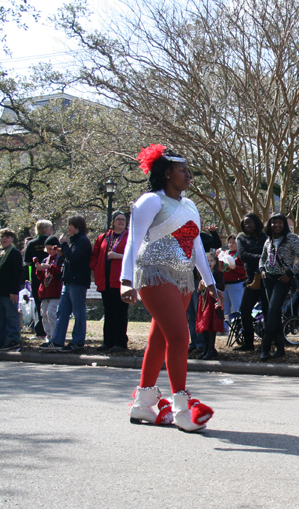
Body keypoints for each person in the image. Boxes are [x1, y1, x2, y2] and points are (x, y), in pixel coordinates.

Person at [121, 144, 216, 432]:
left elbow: (196, 244)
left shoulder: (189, 206)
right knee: (179, 337)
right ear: (165, 173)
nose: (188, 175)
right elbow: (133, 241)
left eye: (189, 171)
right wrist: (126, 281)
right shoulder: (150, 201)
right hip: (155, 274)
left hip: (184, 278)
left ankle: (143, 404)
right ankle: (182, 408)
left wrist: (209, 281)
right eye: (182, 170)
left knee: (160, 340)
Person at [258, 213, 299, 361]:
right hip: (268, 279)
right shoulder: (268, 240)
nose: (277, 225)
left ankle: (265, 348)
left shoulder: (291, 239)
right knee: (274, 314)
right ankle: (280, 348)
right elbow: (262, 258)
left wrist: (290, 273)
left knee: (272, 312)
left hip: (282, 280)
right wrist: (262, 270)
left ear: (284, 225)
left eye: (280, 223)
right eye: (274, 223)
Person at [43, 215, 92, 353]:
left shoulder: (83, 241)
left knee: (78, 312)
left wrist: (64, 245)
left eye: (70, 225)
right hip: (68, 280)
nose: (68, 228)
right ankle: (57, 340)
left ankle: (78, 341)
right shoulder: (75, 241)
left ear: (77, 226)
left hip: (77, 281)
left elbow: (74, 257)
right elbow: (70, 256)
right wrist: (63, 251)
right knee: (62, 311)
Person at [90, 210, 130, 352]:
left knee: (120, 313)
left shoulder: (130, 237)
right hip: (105, 281)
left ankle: (120, 342)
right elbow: (94, 256)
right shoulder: (103, 237)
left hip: (120, 281)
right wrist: (96, 269)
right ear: (112, 222)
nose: (121, 222)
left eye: (123, 220)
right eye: (118, 219)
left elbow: (135, 256)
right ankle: (108, 342)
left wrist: (119, 256)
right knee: (109, 312)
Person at [236, 213, 267, 352]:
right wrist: (261, 257)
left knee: (267, 310)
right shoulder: (241, 238)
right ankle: (248, 343)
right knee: (245, 309)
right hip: (251, 279)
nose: (247, 225)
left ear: (256, 223)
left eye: (250, 222)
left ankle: (266, 343)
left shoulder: (265, 237)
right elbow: (243, 256)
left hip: (266, 278)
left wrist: (259, 258)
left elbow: (271, 254)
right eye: (245, 223)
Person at [22, 219, 53, 339]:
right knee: (51, 304)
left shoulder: (31, 243)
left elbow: (27, 262)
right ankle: (51, 330)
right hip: (51, 277)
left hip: (36, 277)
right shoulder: (52, 241)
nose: (51, 230)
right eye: (50, 228)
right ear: (45, 229)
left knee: (38, 304)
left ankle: (40, 331)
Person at [34, 236, 63, 347]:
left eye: (52, 248)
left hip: (55, 292)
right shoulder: (46, 259)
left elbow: (59, 273)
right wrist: (39, 269)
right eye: (48, 249)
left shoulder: (60, 259)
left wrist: (49, 267)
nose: (50, 251)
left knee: (51, 313)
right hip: (45, 292)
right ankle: (48, 336)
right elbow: (41, 277)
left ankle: (55, 337)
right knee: (44, 314)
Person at [196, 251, 225, 360]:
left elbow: (222, 287)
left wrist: (210, 284)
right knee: (204, 326)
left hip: (214, 303)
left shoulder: (217, 273)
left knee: (211, 326)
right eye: (207, 261)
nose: (209, 263)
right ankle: (206, 348)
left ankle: (211, 349)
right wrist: (201, 286)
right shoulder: (202, 273)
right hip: (204, 302)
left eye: (211, 260)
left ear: (215, 262)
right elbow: (200, 290)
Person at [0, 228, 23, 351]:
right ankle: (2, 340)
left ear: (12, 239)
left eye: (7, 237)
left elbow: (17, 273)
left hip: (10, 292)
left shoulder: (14, 253)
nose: (4, 239)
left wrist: (14, 290)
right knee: (1, 317)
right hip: (0, 291)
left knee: (11, 315)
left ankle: (13, 339)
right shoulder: (0, 252)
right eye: (3, 236)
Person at [220, 234, 247, 331]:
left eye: (233, 242)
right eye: (230, 242)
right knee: (225, 307)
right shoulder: (224, 254)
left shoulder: (240, 254)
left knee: (236, 307)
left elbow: (245, 270)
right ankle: (224, 328)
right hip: (224, 284)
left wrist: (236, 268)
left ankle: (238, 328)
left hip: (236, 284)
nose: (231, 244)